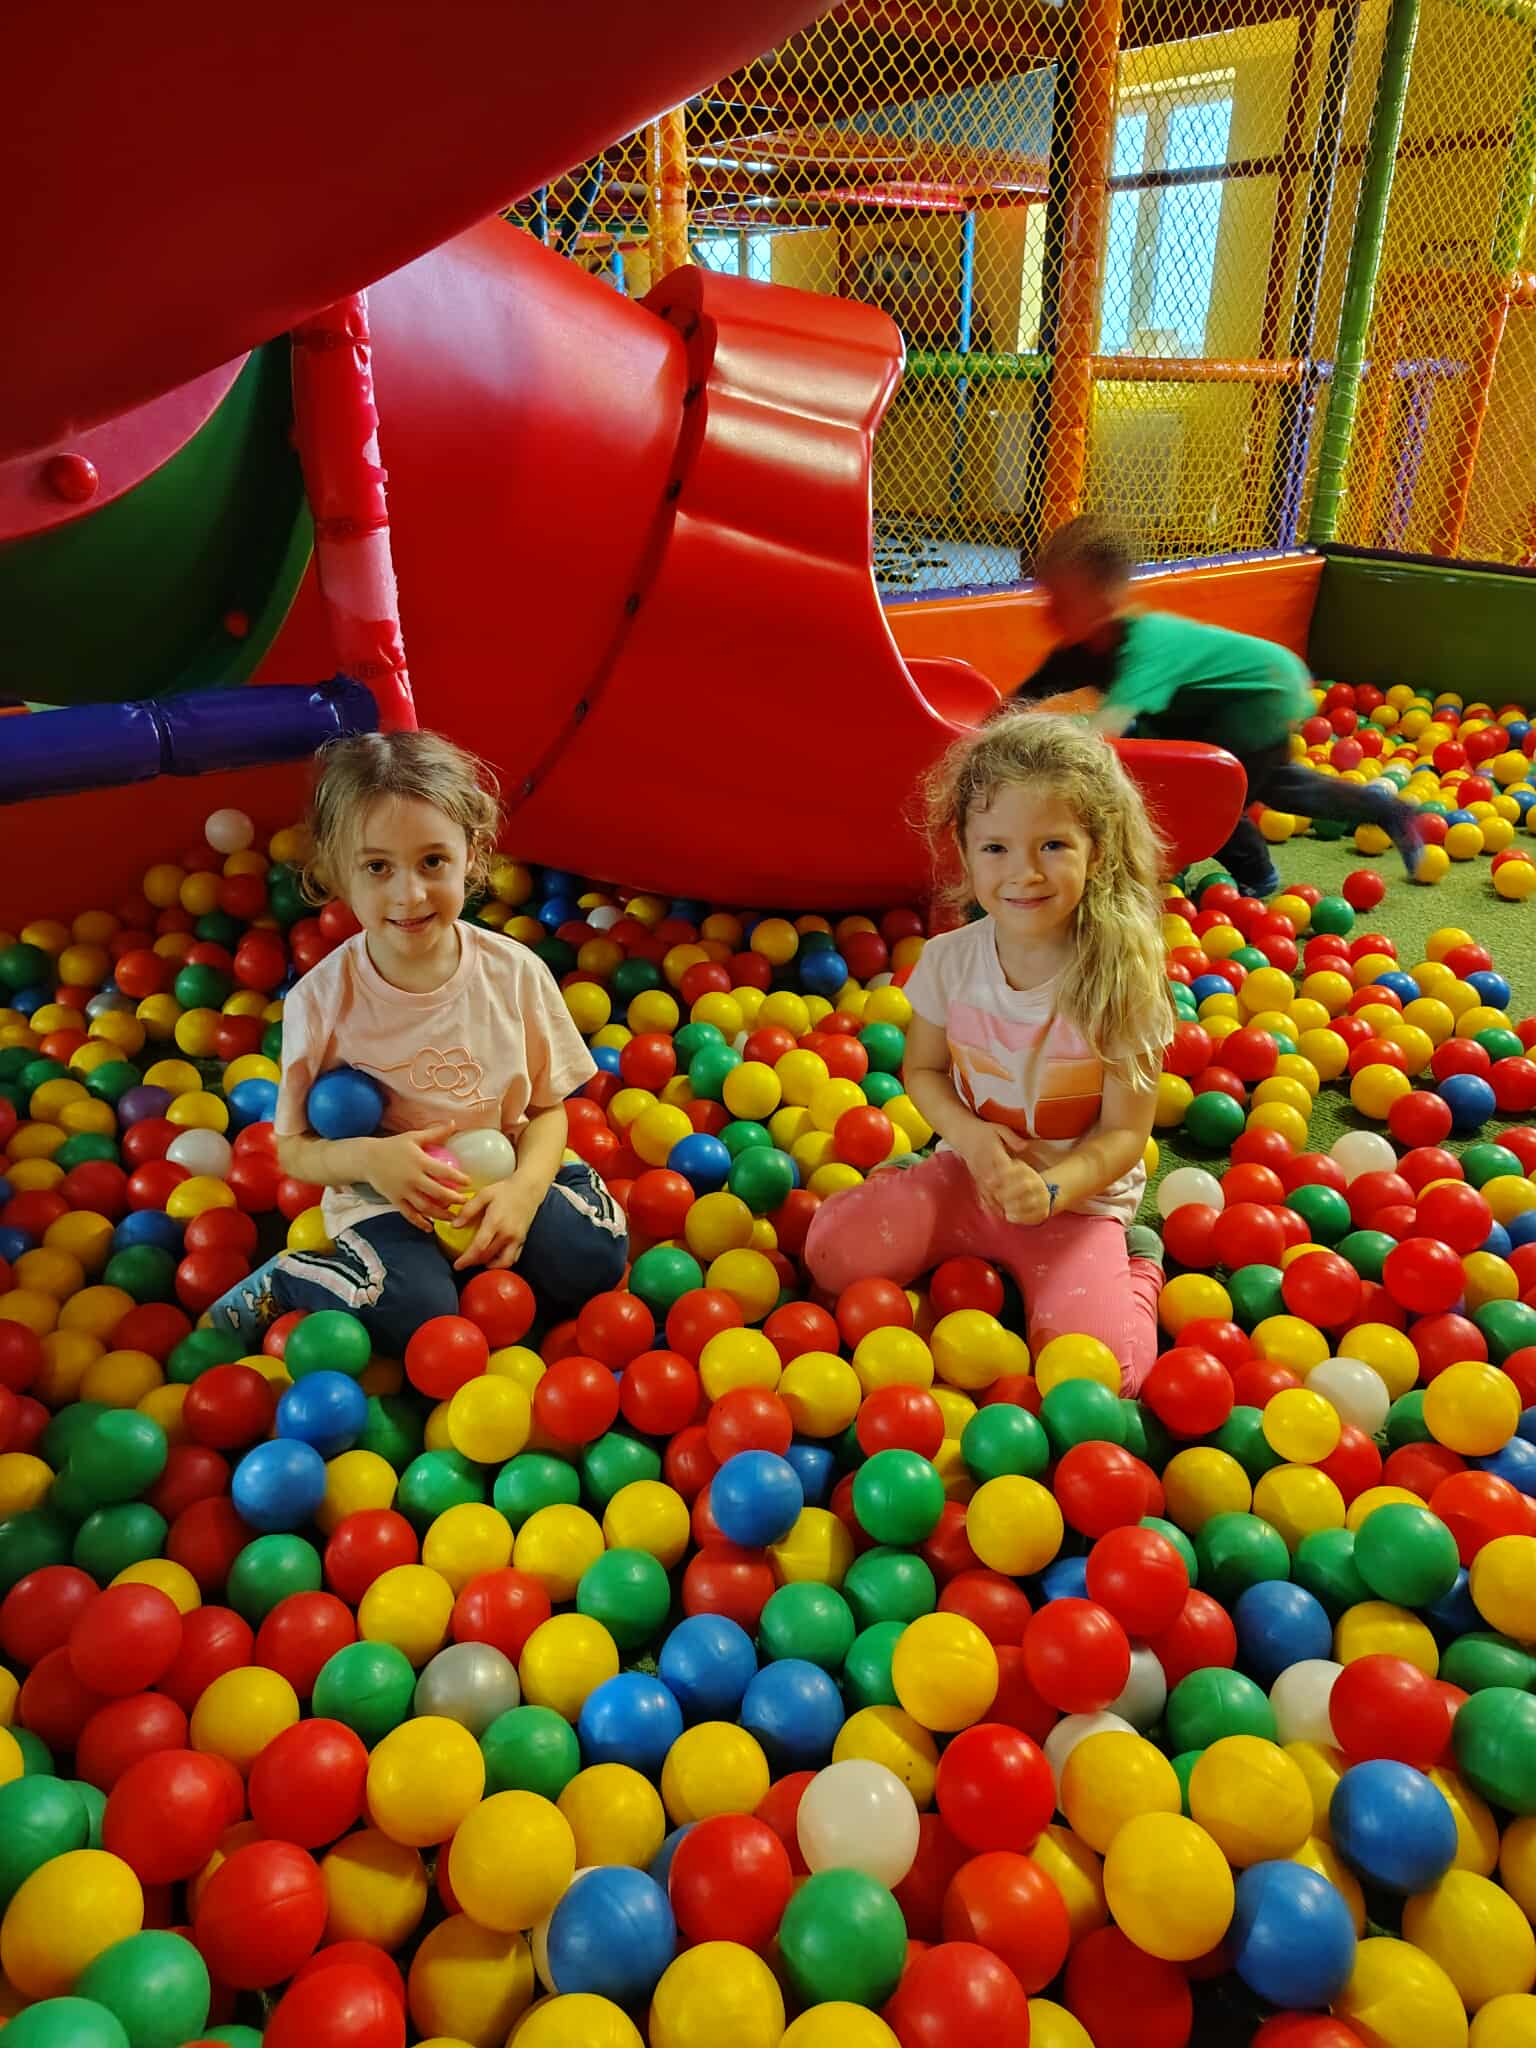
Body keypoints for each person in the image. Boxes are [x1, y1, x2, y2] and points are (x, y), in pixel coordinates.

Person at [207, 729, 627, 1357]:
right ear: (337, 872)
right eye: (377, 867)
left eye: (433, 861)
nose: (409, 894)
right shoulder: (322, 1001)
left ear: (471, 856)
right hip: (386, 1199)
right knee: (421, 1318)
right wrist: (373, 1161)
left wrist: (522, 1193)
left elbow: (547, 1111)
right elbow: (294, 1151)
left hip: (503, 1169)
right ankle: (294, 1279)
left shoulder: (514, 973)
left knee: (593, 1258)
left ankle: (505, 1248)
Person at [804, 713, 1170, 1393]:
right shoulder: (949, 961)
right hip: (970, 1172)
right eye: (996, 848)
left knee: (1103, 1381)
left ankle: (1139, 1260)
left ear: (1097, 849)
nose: (1023, 872)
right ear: (965, 852)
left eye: (1053, 845)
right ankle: (913, 1177)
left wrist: (1054, 1188)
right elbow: (923, 1070)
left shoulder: (1124, 980)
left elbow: (1125, 1133)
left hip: (1077, 1202)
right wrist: (971, 1141)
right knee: (827, 1256)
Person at [1012, 515, 1424, 895]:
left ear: (1106, 598)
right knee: (1278, 786)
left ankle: (1258, 877)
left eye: (1063, 602)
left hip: (1261, 692)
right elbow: (1019, 700)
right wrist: (989, 734)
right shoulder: (1078, 651)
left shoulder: (1143, 646)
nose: (1050, 613)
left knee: (1210, 799)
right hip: (1216, 707)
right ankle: (1386, 809)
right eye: (1048, 597)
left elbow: (1106, 732)